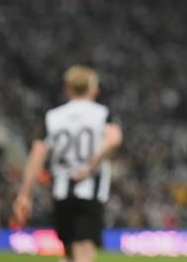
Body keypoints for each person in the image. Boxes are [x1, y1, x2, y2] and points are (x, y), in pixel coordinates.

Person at [13, 65, 122, 262]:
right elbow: (114, 139)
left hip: (61, 189)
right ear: (93, 89)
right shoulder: (102, 113)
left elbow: (37, 153)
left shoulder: (52, 116)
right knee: (85, 250)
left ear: (67, 89)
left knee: (69, 250)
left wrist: (24, 194)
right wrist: (90, 166)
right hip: (90, 189)